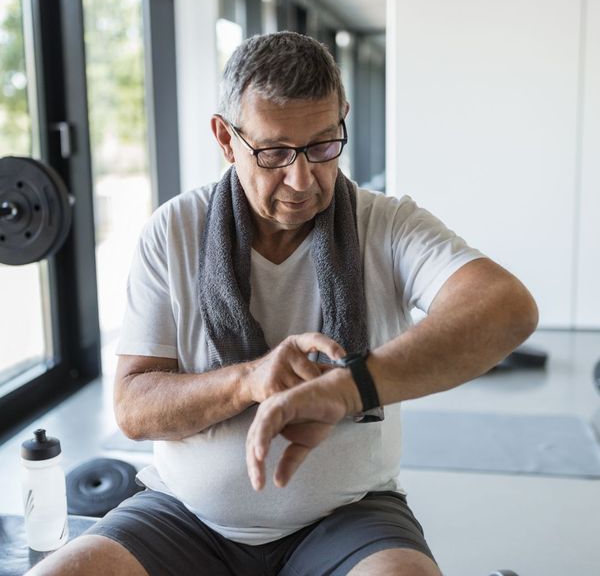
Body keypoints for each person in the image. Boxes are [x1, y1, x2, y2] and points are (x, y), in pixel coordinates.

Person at [30, 32, 538, 576]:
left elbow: (507, 308)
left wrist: (347, 389)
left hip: (350, 516)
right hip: (184, 516)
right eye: (274, 153)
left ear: (342, 118)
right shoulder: (173, 230)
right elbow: (133, 407)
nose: (302, 179)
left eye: (323, 145)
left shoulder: (387, 224)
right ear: (226, 139)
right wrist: (249, 381)